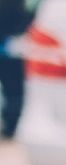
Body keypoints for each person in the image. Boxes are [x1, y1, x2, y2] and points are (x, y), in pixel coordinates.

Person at [0, 0, 35, 138]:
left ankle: (11, 126)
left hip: (14, 47)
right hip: (12, 45)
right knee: (14, 89)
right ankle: (11, 125)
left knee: (13, 90)